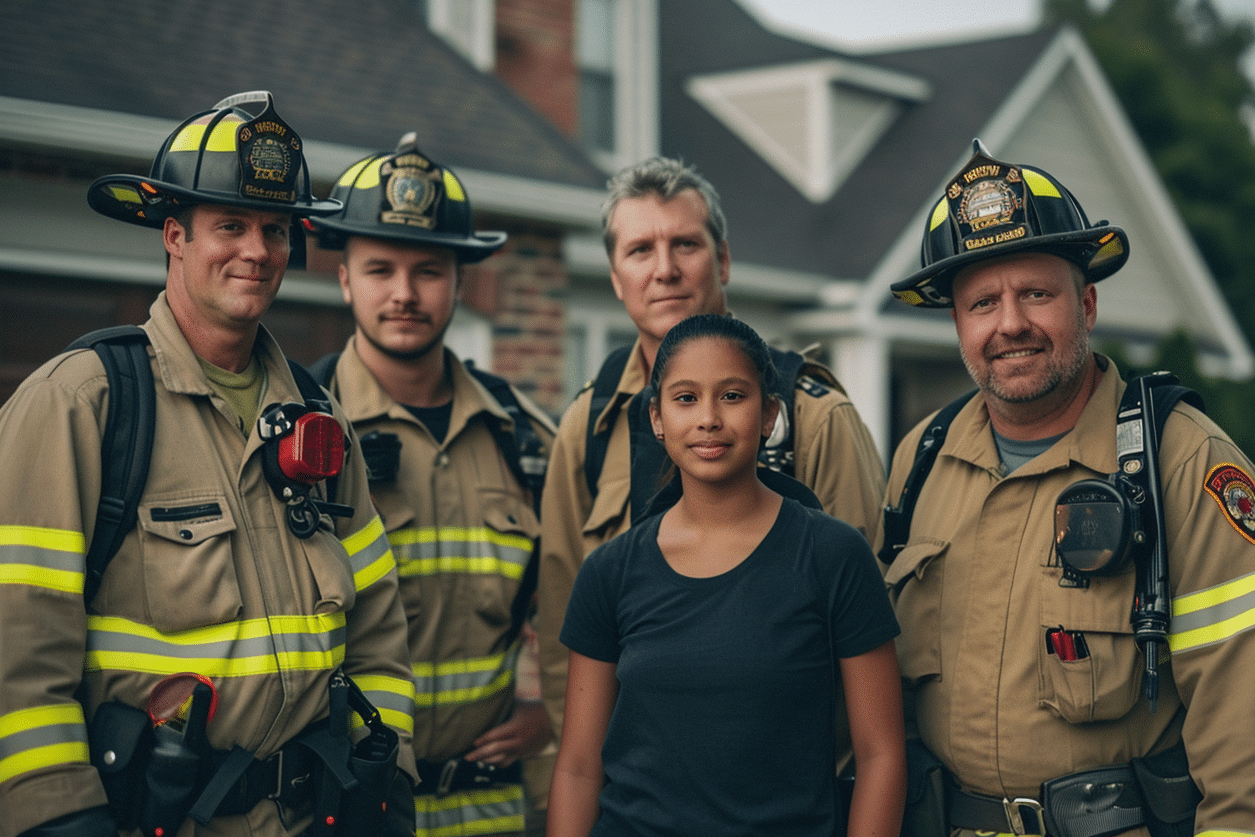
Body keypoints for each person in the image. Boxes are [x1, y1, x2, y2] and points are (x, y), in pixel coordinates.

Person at [0, 92, 417, 837]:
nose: (256, 250)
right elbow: (19, 642)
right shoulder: (82, 403)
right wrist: (54, 815)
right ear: (174, 236)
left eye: (275, 229)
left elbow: (379, 626)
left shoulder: (320, 422)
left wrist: (390, 774)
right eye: (230, 225)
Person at [883, 144, 1255, 836]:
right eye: (982, 302)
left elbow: (1254, 752)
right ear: (957, 323)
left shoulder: (1184, 463)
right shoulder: (921, 459)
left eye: (1037, 294)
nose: (1009, 323)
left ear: (1086, 302)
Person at [535, 156, 887, 742]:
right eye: (640, 250)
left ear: (722, 259)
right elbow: (559, 642)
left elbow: (866, 632)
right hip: (636, 800)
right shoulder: (587, 427)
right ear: (616, 277)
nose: (665, 270)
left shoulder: (811, 415)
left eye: (686, 245)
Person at [548, 314, 904, 837]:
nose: (708, 419)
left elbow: (881, 755)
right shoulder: (610, 571)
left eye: (733, 396)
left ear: (769, 415)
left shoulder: (832, 555)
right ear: (657, 418)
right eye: (686, 398)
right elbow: (578, 769)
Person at [307, 135, 558, 837]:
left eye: (430, 271)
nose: (405, 294)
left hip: (491, 808)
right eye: (380, 269)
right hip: (350, 805)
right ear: (345, 279)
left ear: (460, 281)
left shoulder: (527, 438)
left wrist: (553, 713)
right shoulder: (301, 431)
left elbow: (581, 604)